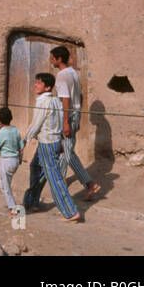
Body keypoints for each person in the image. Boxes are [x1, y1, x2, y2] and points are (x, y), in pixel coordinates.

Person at [21, 73, 81, 221]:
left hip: (47, 143)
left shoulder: (43, 102)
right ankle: (32, 202)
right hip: (51, 142)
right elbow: (61, 121)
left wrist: (25, 140)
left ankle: (70, 211)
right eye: (36, 82)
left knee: (54, 178)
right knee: (36, 167)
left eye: (39, 83)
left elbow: (36, 124)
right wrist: (60, 140)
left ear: (47, 87)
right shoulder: (55, 101)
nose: (35, 85)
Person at [50, 46, 100, 200]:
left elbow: (66, 99)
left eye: (52, 58)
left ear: (59, 59)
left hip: (68, 115)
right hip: (74, 114)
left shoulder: (62, 76)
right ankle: (62, 181)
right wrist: (79, 116)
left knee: (68, 152)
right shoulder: (73, 72)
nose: (50, 61)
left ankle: (90, 184)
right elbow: (80, 95)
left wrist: (66, 122)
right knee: (64, 149)